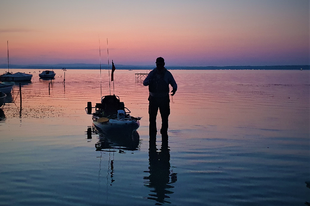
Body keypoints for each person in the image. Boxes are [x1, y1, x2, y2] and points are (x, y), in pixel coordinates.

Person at [143, 57, 177, 139]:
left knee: (165, 118)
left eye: (161, 64)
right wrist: (150, 81)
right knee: (152, 118)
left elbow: (174, 84)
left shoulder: (167, 74)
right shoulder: (152, 73)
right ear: (156, 64)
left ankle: (164, 134)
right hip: (153, 99)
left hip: (164, 99)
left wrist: (174, 89)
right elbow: (144, 83)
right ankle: (152, 134)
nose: (159, 66)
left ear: (164, 64)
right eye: (158, 64)